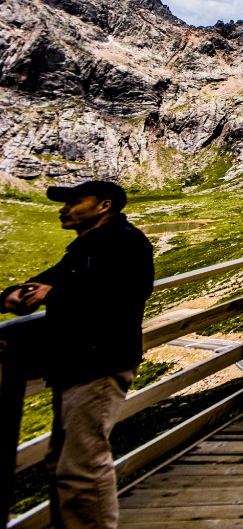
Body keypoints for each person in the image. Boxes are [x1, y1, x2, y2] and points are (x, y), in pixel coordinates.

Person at [2, 181, 153, 529]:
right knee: (62, 462)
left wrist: (54, 294)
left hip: (99, 364)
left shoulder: (123, 241)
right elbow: (53, 282)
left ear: (103, 205)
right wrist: (12, 295)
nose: (63, 208)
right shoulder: (88, 246)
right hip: (78, 364)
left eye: (73, 201)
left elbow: (123, 296)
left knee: (81, 466)